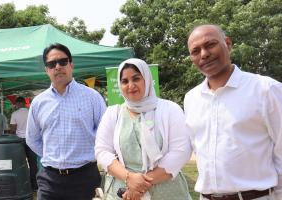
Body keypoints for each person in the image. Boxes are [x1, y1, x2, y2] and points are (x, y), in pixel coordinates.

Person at [184, 24, 282, 200]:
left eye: (210, 45)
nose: (204, 54)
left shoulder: (266, 90)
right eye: (195, 51)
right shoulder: (192, 99)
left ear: (228, 44)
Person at [95, 58, 192, 200]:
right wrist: (129, 178)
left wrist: (139, 185)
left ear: (147, 79)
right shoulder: (113, 113)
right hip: (124, 192)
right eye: (125, 81)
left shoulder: (170, 109)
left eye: (136, 78)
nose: (131, 85)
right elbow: (102, 151)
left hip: (167, 192)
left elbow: (181, 151)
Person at [26, 43, 106, 200]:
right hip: (50, 179)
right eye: (51, 64)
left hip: (84, 177)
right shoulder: (38, 102)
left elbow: (104, 134)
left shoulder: (92, 97)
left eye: (62, 62)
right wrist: (52, 156)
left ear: (71, 65)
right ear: (46, 70)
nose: (57, 67)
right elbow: (32, 138)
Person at [10, 96, 38, 191]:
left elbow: (13, 129)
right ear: (24, 103)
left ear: (18, 103)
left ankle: (22, 186)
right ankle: (34, 186)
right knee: (33, 164)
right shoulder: (31, 112)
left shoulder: (14, 114)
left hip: (19, 141)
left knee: (19, 163)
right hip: (31, 140)